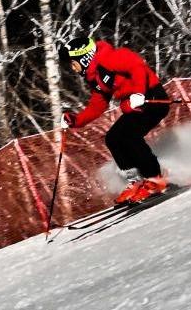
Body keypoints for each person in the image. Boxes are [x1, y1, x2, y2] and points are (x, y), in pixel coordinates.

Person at [58, 36, 171, 204]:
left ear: (84, 57)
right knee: (113, 138)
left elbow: (137, 66)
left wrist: (139, 93)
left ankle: (155, 179)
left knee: (130, 136)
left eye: (74, 63)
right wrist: (76, 120)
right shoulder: (95, 76)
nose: (74, 68)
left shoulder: (108, 58)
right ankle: (136, 181)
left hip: (152, 99)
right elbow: (98, 104)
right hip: (136, 106)